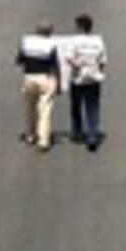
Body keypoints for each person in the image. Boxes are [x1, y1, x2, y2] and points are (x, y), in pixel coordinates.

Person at [66, 13, 107, 152]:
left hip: (78, 78)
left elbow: (70, 59)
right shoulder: (98, 41)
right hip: (94, 78)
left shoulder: (74, 41)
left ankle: (77, 132)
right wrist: (97, 71)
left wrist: (78, 66)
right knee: (93, 107)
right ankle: (92, 135)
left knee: (76, 105)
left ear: (80, 27)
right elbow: (103, 61)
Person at [18, 20, 60, 151]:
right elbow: (55, 65)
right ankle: (43, 140)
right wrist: (58, 82)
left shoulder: (27, 42)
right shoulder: (51, 44)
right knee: (45, 109)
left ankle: (30, 135)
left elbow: (19, 60)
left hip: (29, 77)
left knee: (30, 107)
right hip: (45, 78)